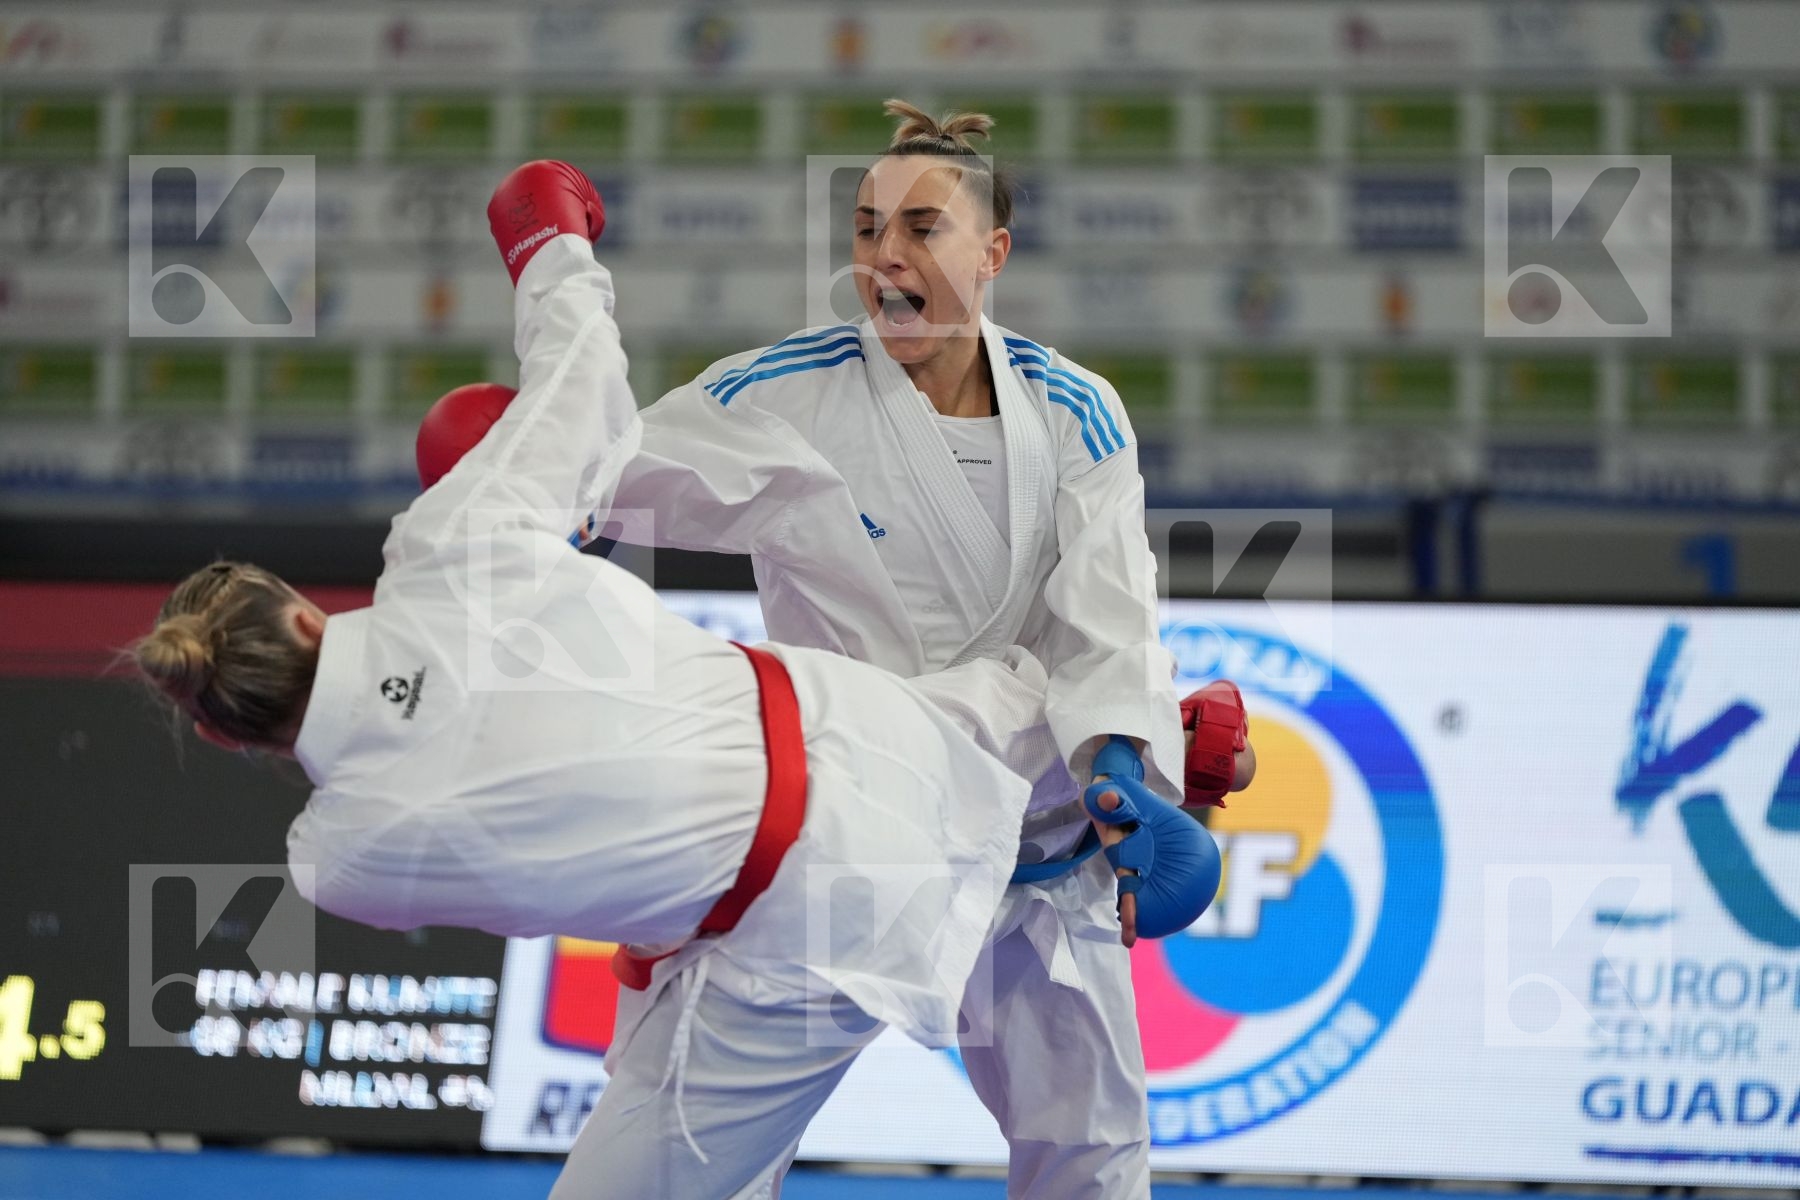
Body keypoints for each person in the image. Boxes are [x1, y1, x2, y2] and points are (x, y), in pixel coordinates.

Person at [129, 161, 1121, 1199]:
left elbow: (552, 837)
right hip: (862, 738)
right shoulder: (449, 547)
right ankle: (1143, 755)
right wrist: (546, 244)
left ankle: (1136, 752)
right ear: (301, 611)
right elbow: (581, 380)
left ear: (222, 731)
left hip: (788, 945)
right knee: (1005, 707)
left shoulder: (341, 861)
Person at [587, 100, 1256, 1198]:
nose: (884, 254)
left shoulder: (1075, 409)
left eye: (920, 227)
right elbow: (614, 470)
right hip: (853, 838)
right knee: (698, 1153)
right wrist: (526, 465)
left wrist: (1124, 773)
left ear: (993, 253)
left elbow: (1109, 610)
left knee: (1094, 1158)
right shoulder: (790, 391)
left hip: (1038, 848)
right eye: (865, 229)